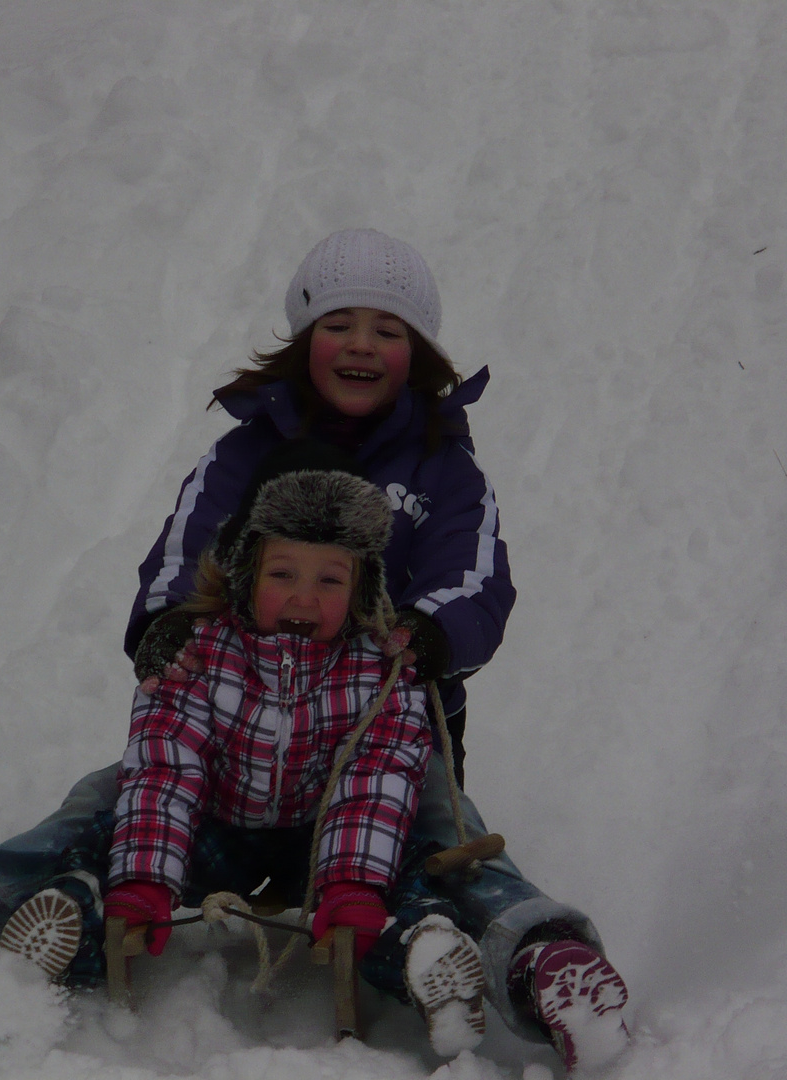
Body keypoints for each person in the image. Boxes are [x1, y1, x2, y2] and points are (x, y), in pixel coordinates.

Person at [0, 454, 630, 1074]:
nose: (302, 596)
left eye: (330, 581)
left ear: (361, 590)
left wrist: (351, 884)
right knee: (103, 841)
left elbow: (376, 776)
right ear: (251, 572)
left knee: (410, 882)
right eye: (284, 574)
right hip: (217, 823)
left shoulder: (373, 666)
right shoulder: (202, 652)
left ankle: (470, 960)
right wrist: (146, 877)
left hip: (333, 833)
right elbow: (166, 765)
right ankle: (4, 907)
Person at [127, 227, 515, 789]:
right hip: (238, 724)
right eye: (337, 326)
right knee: (114, 793)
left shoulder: (444, 470)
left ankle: (471, 880)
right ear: (306, 343)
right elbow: (188, 551)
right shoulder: (244, 456)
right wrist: (169, 624)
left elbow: (473, 578)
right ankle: (21, 874)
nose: (362, 344)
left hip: (391, 733)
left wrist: (429, 631)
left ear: (418, 355)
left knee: (435, 824)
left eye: (388, 330)